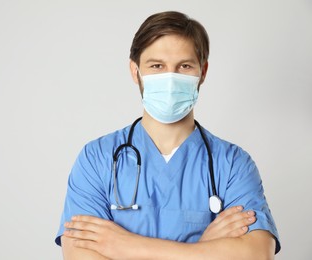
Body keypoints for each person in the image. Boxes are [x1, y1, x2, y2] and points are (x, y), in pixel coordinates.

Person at [55, 11, 280, 259]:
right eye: (157, 66)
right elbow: (80, 255)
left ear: (202, 72)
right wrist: (203, 248)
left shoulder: (233, 163)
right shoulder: (96, 159)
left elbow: (258, 253)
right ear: (135, 71)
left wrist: (124, 246)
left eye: (184, 66)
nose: (170, 78)